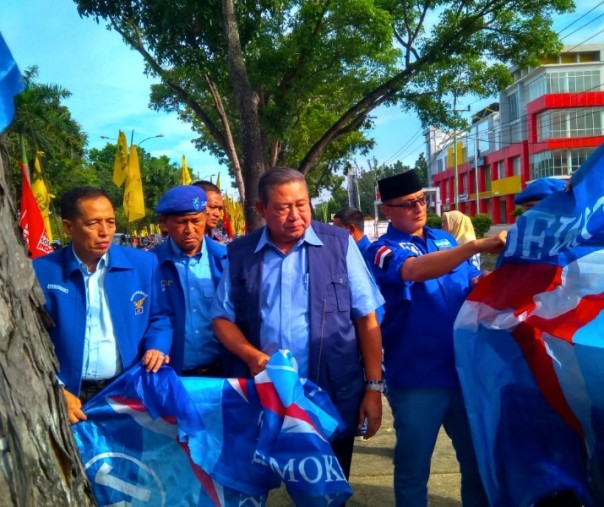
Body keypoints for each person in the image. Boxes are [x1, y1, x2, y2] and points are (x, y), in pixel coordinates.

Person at [211, 168, 385, 479]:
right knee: (256, 486)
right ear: (261, 209)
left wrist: (373, 388)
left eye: (302, 204)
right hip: (265, 396)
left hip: (330, 396)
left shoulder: (338, 244)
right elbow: (223, 319)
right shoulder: (241, 253)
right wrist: (252, 356)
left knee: (327, 490)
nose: (296, 215)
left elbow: (366, 317)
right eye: (283, 207)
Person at [367, 170, 507, 507]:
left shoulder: (445, 239)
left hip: (462, 374)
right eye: (406, 204)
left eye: (421, 200)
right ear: (386, 210)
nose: (417, 208)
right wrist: (475, 245)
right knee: (414, 469)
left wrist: (489, 277)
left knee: (476, 464)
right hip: (418, 378)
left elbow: (472, 278)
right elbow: (414, 271)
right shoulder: (380, 250)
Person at [33, 187, 172, 424]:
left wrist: (157, 346)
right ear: (68, 227)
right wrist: (53, 387)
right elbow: (32, 337)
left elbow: (161, 316)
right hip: (67, 396)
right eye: (93, 223)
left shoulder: (143, 264)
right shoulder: (41, 271)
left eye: (110, 222)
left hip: (125, 389)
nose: (104, 232)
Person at [153, 185, 228, 376]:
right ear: (164, 223)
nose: (189, 229)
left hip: (223, 372)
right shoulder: (150, 265)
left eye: (196, 221)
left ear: (204, 218)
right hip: (171, 374)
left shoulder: (226, 260)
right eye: (181, 222)